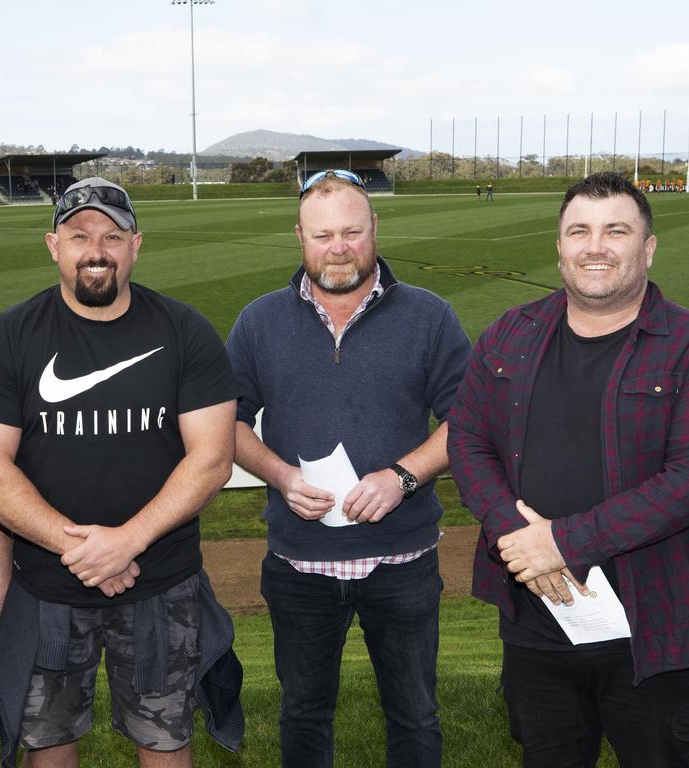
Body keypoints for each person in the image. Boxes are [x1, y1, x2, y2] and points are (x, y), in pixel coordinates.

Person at [0, 177, 244, 768]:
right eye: (80, 235)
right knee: (48, 746)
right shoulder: (7, 338)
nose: (97, 250)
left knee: (165, 741)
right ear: (52, 245)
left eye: (112, 235)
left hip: (162, 582)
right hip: (48, 587)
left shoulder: (186, 331)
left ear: (137, 244)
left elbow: (211, 459)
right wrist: (84, 551)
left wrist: (128, 542)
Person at [447, 172, 689, 767]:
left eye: (616, 230)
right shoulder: (511, 333)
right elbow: (468, 440)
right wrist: (515, 536)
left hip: (655, 626)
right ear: (559, 246)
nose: (595, 246)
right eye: (579, 231)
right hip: (538, 620)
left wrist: (563, 542)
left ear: (648, 247)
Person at [225, 169, 471, 767]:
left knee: (414, 715)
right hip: (298, 564)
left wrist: (403, 477)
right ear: (300, 238)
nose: (339, 248)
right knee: (304, 713)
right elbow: (225, 425)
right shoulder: (259, 322)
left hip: (403, 559)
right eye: (323, 234)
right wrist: (281, 476)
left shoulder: (429, 316)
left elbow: (469, 419)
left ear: (375, 230)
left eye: (352, 232)